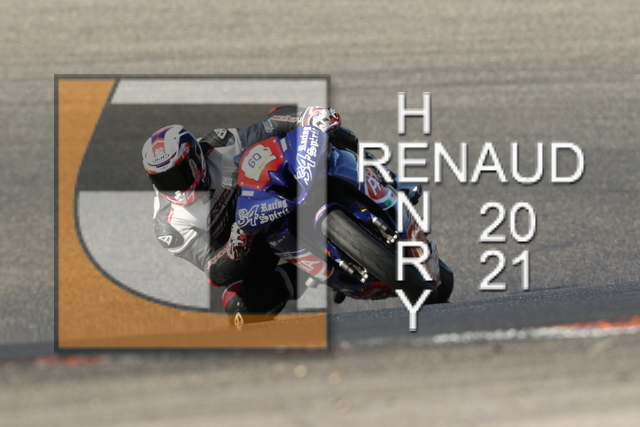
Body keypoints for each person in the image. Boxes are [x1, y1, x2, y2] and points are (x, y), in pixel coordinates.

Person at [141, 106, 346, 323]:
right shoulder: (168, 226)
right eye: (164, 181)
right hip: (250, 248)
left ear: (196, 157)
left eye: (180, 174)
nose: (176, 188)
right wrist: (234, 247)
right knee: (239, 308)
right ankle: (317, 273)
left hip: (272, 200)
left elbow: (268, 127)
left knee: (290, 119)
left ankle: (358, 165)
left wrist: (307, 118)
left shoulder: (217, 145)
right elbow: (214, 270)